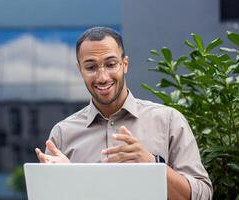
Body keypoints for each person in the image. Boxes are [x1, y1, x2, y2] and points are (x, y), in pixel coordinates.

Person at [35, 27, 212, 200]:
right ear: (80, 69)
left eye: (111, 64)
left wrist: (152, 165)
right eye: (91, 67)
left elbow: (202, 195)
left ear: (125, 64)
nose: (102, 77)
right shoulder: (62, 134)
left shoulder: (168, 121)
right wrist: (62, 180)